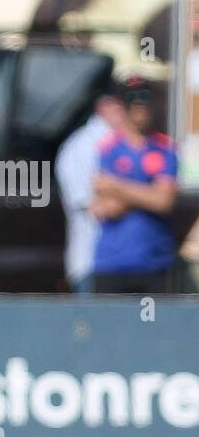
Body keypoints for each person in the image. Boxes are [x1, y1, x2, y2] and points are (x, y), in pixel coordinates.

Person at [90, 77, 179, 294]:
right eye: (133, 102)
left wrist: (117, 187)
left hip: (155, 262)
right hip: (112, 264)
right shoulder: (108, 149)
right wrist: (147, 193)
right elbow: (105, 208)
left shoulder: (164, 148)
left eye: (144, 101)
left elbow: (164, 201)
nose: (140, 108)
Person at [55, 87, 125, 294]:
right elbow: (92, 208)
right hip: (93, 264)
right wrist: (146, 199)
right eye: (122, 104)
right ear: (103, 105)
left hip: (130, 265)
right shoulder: (82, 146)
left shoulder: (130, 143)